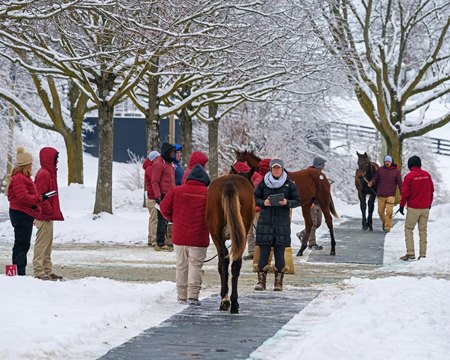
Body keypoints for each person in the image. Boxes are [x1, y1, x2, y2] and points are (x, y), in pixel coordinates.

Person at [160, 164, 210, 306]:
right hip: (199, 237)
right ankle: (193, 296)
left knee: (181, 265)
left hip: (180, 236)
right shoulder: (208, 194)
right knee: (195, 266)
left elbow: (164, 208)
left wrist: (172, 219)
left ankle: (181, 295)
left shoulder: (176, 191)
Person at [253, 158, 300, 291]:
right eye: (274, 168)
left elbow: (297, 200)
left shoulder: (288, 183)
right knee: (264, 253)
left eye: (278, 168)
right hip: (265, 223)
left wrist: (287, 203)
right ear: (271, 169)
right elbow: (254, 197)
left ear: (282, 168)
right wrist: (263, 203)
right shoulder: (264, 182)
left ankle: (278, 283)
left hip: (282, 224)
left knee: (280, 253)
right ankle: (261, 282)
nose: (276, 170)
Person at [7, 147, 47, 276]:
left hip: (23, 213)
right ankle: (19, 273)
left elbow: (24, 198)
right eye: (31, 163)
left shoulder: (22, 177)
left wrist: (35, 207)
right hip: (21, 214)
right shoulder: (19, 178)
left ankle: (18, 272)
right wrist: (40, 198)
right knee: (21, 244)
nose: (32, 165)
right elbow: (23, 197)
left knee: (22, 244)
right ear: (27, 165)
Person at [33, 147, 64, 281]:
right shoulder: (44, 174)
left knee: (47, 245)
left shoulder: (49, 173)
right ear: (49, 159)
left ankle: (47, 270)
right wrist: (48, 209)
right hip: (43, 215)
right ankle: (39, 271)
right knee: (42, 244)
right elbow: (40, 196)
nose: (57, 161)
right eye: (55, 158)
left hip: (47, 216)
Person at [398, 155, 434, 261]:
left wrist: (401, 206)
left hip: (413, 208)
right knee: (423, 231)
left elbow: (405, 194)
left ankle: (410, 253)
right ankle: (423, 254)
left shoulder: (409, 176)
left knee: (409, 229)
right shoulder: (427, 175)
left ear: (410, 165)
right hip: (425, 208)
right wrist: (429, 203)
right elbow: (431, 191)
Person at [296, 156, 327, 250]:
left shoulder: (320, 174)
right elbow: (306, 189)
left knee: (318, 223)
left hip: (319, 202)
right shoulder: (308, 174)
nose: (324, 166)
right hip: (311, 203)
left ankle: (302, 233)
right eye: (322, 164)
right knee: (312, 223)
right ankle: (312, 244)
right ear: (318, 164)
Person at [151, 142, 176, 251]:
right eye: (171, 153)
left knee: (167, 219)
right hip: (162, 195)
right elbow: (154, 181)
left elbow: (171, 181)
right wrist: (157, 196)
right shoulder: (159, 164)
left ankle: (165, 240)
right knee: (161, 219)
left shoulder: (169, 164)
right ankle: (159, 243)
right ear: (166, 152)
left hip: (170, 194)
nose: (173, 155)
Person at [368, 155, 402, 232]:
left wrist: (402, 193)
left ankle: (387, 227)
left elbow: (400, 183)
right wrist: (371, 183)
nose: (387, 163)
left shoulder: (396, 172)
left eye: (389, 161)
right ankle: (385, 223)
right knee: (380, 212)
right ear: (384, 162)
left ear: (391, 162)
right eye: (386, 161)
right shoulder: (380, 170)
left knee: (389, 212)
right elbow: (375, 179)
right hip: (380, 195)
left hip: (391, 195)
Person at [143, 150, 160, 247]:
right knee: (154, 219)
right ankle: (154, 240)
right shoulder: (150, 169)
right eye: (158, 158)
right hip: (152, 198)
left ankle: (150, 238)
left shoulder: (149, 168)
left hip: (150, 197)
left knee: (152, 218)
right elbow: (155, 181)